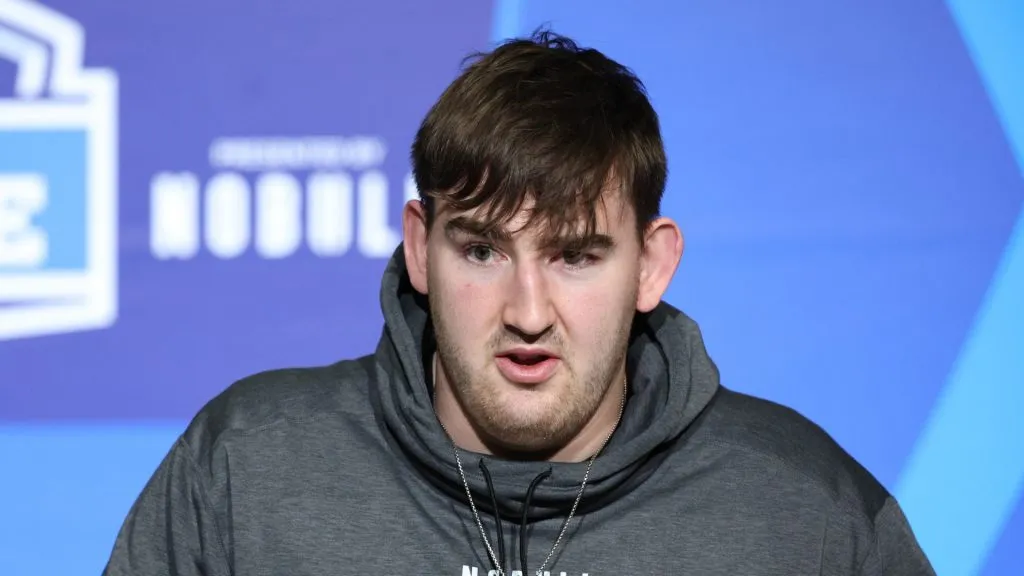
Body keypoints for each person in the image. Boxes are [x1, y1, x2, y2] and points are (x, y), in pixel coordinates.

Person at [103, 30, 936, 576]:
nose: (528, 312)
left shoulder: (802, 513)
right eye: (482, 251)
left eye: (576, 256)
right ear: (420, 248)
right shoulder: (247, 473)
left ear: (653, 265)